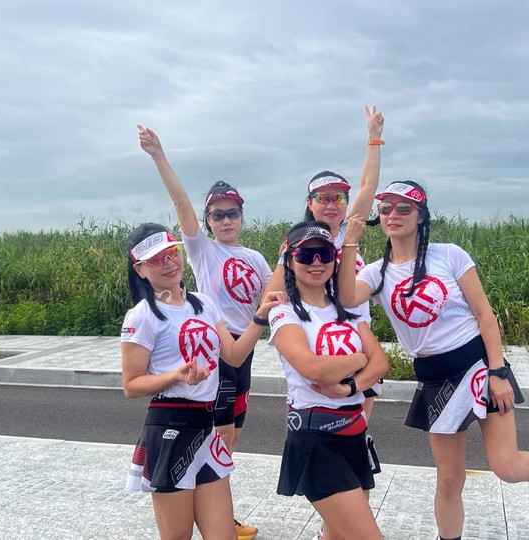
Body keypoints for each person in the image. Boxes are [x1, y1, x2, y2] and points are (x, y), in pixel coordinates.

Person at [337, 182, 529, 540]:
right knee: (449, 479)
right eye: (386, 208)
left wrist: (498, 372)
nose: (393, 215)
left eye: (404, 208)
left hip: (477, 366)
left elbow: (485, 316)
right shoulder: (377, 273)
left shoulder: (449, 255)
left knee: (506, 467)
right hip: (435, 378)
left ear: (421, 216)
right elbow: (345, 297)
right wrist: (349, 243)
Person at [137, 125, 272, 540]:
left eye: (233, 213)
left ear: (242, 217)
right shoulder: (201, 249)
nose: (226, 220)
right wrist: (159, 155)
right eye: (217, 214)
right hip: (213, 349)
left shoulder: (255, 257)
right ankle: (209, 511)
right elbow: (180, 203)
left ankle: (217, 506)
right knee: (221, 433)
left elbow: (274, 297)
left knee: (232, 436)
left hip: (243, 350)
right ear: (208, 220)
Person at [120, 223, 283, 540]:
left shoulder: (204, 303)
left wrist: (260, 317)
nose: (169, 263)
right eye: (156, 260)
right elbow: (131, 385)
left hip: (207, 430)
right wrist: (175, 376)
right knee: (178, 536)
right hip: (170, 431)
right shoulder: (142, 316)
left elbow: (233, 355)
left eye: (172, 253)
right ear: (140, 270)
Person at [268, 221, 388, 540]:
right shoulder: (284, 312)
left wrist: (348, 386)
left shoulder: (346, 307)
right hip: (316, 438)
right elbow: (313, 368)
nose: (317, 262)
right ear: (290, 261)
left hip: (354, 433)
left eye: (324, 253)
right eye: (306, 255)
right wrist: (359, 360)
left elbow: (381, 363)